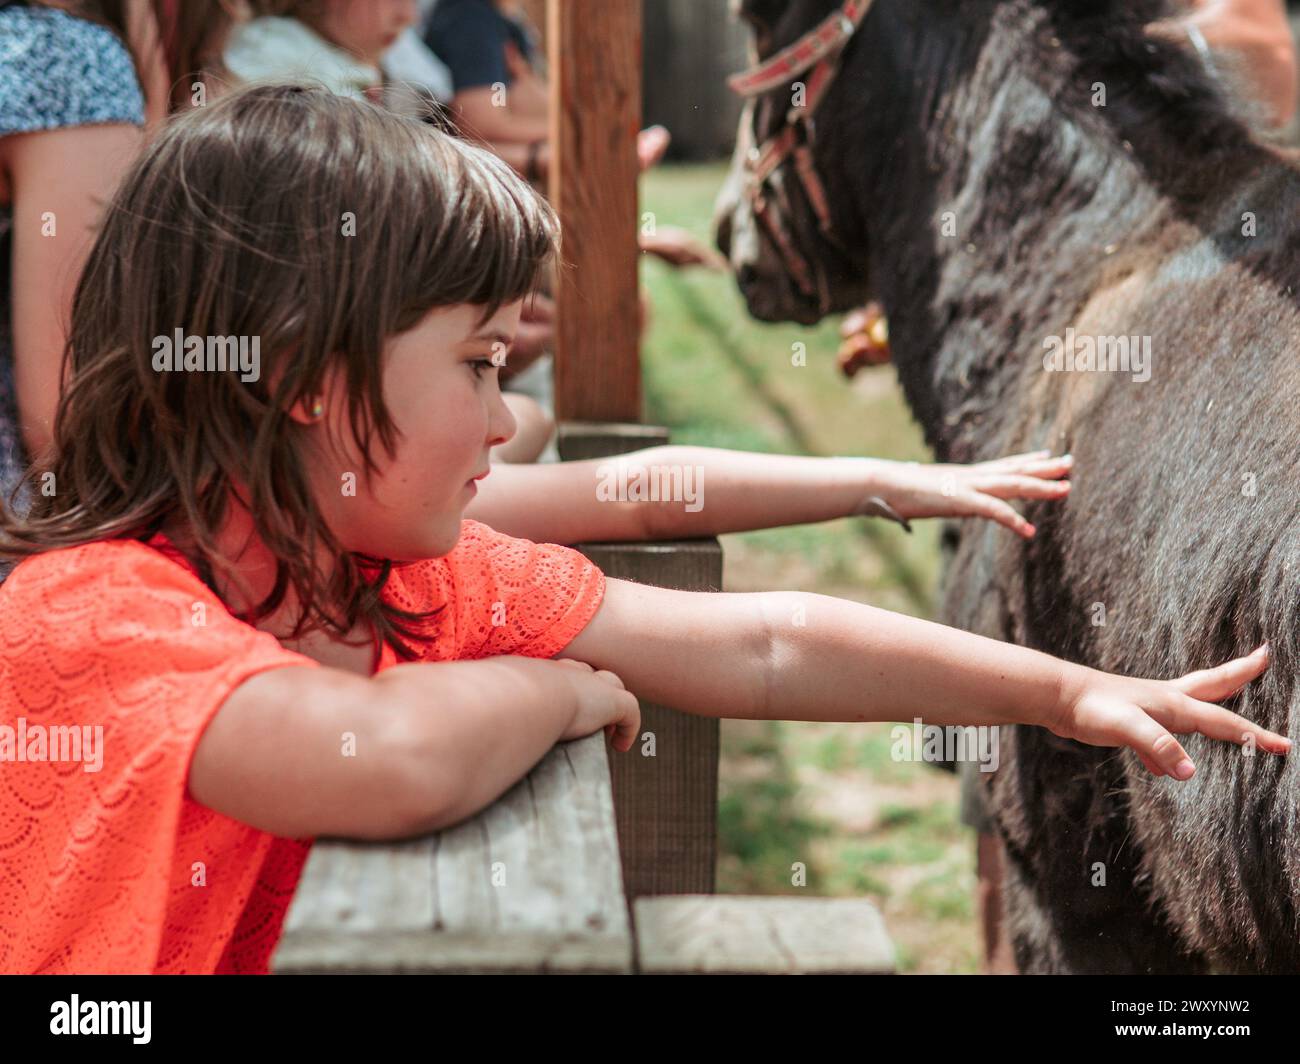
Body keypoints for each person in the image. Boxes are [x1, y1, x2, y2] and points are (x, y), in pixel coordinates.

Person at [0, 85, 1286, 975]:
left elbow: (767, 643)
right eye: (479, 366)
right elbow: (385, 759)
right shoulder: (99, 613)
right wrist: (559, 687)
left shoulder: (395, 579)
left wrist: (1071, 691)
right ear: (306, 383)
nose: (512, 425)